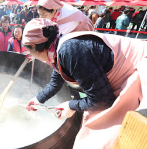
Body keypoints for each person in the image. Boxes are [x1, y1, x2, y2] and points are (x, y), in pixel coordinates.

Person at [23, 18, 147, 149]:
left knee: (113, 137)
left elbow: (102, 101)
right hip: (119, 80)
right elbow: (55, 83)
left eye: (30, 51)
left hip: (139, 73)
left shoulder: (71, 52)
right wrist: (37, 100)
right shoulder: (57, 48)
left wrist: (71, 106)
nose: (31, 55)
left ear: (33, 46)